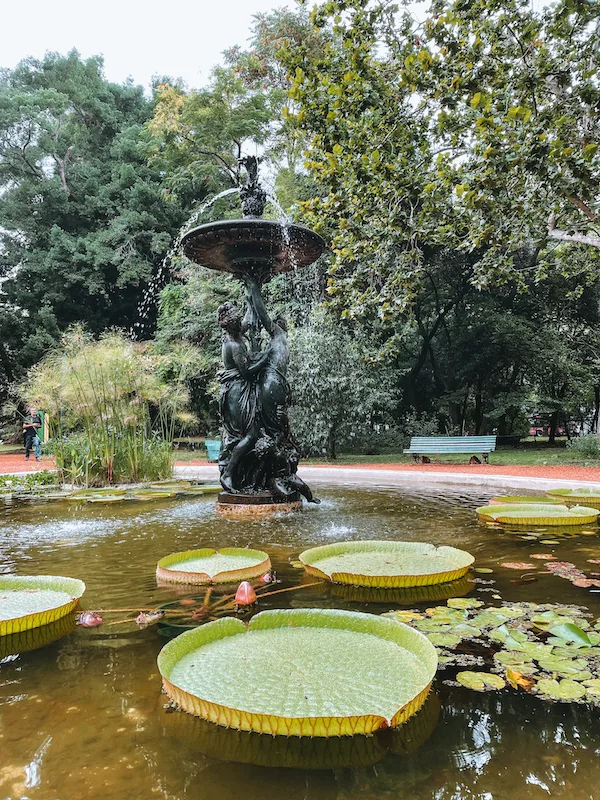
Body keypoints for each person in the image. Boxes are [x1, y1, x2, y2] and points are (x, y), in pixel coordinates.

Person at [217, 302, 270, 492]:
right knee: (250, 434)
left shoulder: (234, 335)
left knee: (248, 433)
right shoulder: (234, 345)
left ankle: (237, 474)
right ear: (233, 324)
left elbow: (248, 321)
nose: (242, 321)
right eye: (238, 319)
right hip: (237, 393)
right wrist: (266, 357)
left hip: (236, 390)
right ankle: (229, 474)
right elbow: (247, 371)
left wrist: (252, 299)